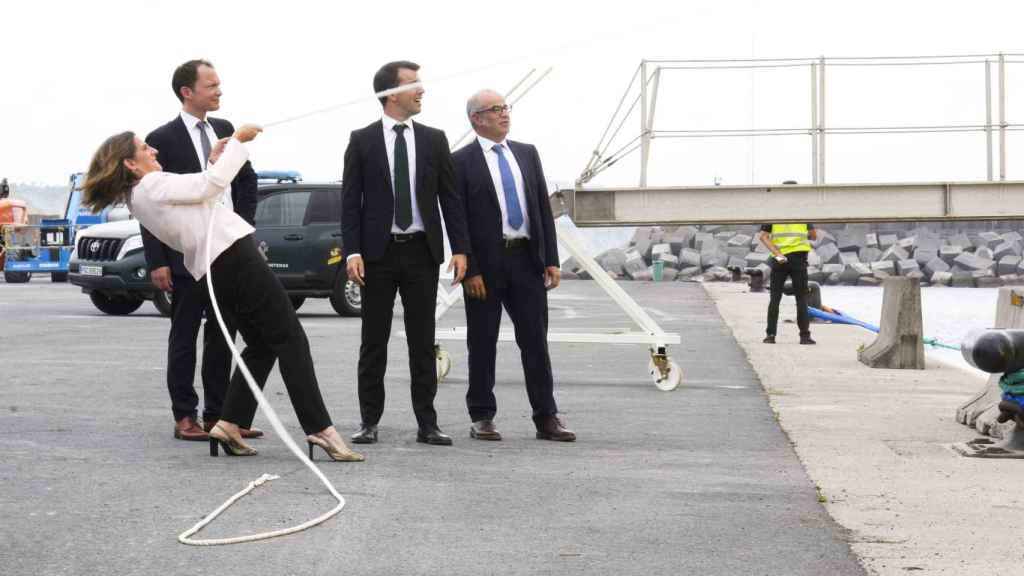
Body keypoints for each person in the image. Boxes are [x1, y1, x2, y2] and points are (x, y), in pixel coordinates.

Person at [81, 126, 363, 462]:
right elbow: (209, 186)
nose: (153, 151)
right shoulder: (152, 184)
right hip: (233, 256)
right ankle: (319, 428)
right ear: (130, 163)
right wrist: (239, 143)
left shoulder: (140, 195)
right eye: (145, 148)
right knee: (291, 338)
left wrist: (215, 160)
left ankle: (230, 423)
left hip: (214, 265)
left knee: (262, 344)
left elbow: (203, 197)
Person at [341, 61, 470, 446]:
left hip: (421, 253)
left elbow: (450, 198)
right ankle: (368, 422)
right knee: (373, 341)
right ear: (389, 94)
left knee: (421, 339)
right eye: (414, 84)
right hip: (378, 256)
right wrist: (352, 253)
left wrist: (460, 248)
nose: (422, 90)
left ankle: (427, 423)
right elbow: (350, 203)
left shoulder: (434, 139)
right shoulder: (361, 140)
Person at [140, 59, 261, 442]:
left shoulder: (225, 130)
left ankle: (219, 415)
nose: (219, 91)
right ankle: (185, 416)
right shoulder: (162, 138)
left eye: (219, 84)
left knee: (224, 335)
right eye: (211, 85)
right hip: (184, 256)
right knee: (185, 336)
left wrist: (242, 228)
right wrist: (157, 260)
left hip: (225, 251)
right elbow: (152, 207)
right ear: (187, 92)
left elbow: (247, 182)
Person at [452, 90, 574, 442]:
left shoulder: (526, 153)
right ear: (477, 118)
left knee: (535, 340)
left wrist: (551, 259)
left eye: (506, 107)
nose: (505, 114)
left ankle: (546, 417)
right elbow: (457, 219)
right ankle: (482, 416)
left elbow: (541, 209)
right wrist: (470, 268)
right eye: (496, 109)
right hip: (484, 267)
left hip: (526, 259)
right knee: (483, 341)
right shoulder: (460, 161)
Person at [758, 222, 817, 345]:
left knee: (775, 298)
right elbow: (814, 236)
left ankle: (770, 336)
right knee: (801, 299)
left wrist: (777, 253)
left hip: (779, 258)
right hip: (799, 259)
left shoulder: (772, 215)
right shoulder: (803, 214)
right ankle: (805, 336)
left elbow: (763, 237)